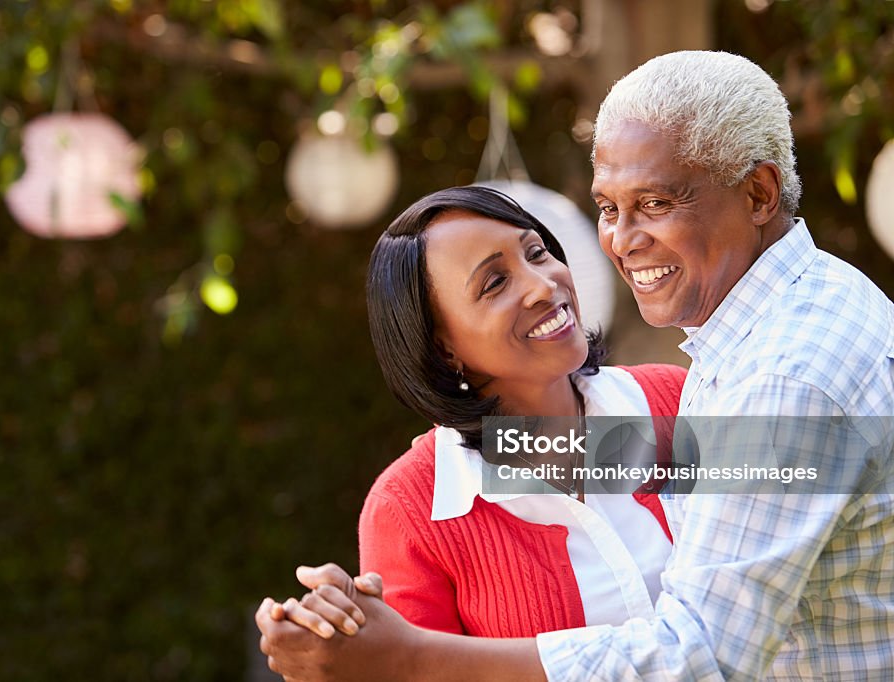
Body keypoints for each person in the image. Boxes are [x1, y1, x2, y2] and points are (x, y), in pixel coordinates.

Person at [256, 50, 894, 681]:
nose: (547, 282)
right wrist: (344, 640)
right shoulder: (415, 505)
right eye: (610, 209)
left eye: (656, 202)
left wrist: (406, 657)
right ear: (440, 344)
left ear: (759, 193)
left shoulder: (736, 387)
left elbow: (700, 653)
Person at [322, 185, 687, 641]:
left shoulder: (675, 399)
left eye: (536, 252)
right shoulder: (407, 510)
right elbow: (414, 668)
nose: (542, 284)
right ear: (442, 347)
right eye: (495, 282)